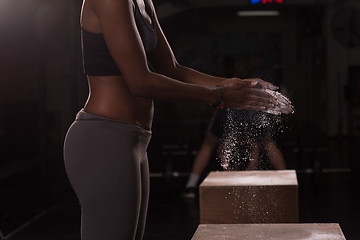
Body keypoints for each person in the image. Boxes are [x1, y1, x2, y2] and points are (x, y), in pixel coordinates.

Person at [63, 0, 283, 239]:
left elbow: (172, 69)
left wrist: (240, 86)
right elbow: (140, 82)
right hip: (104, 138)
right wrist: (219, 95)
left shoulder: (144, 2)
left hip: (133, 140)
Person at [183, 105, 287, 198]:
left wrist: (248, 166)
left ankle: (190, 185)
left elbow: (225, 145)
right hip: (248, 108)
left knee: (208, 144)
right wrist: (229, 167)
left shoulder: (225, 111)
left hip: (237, 107)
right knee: (267, 143)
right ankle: (285, 180)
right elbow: (226, 145)